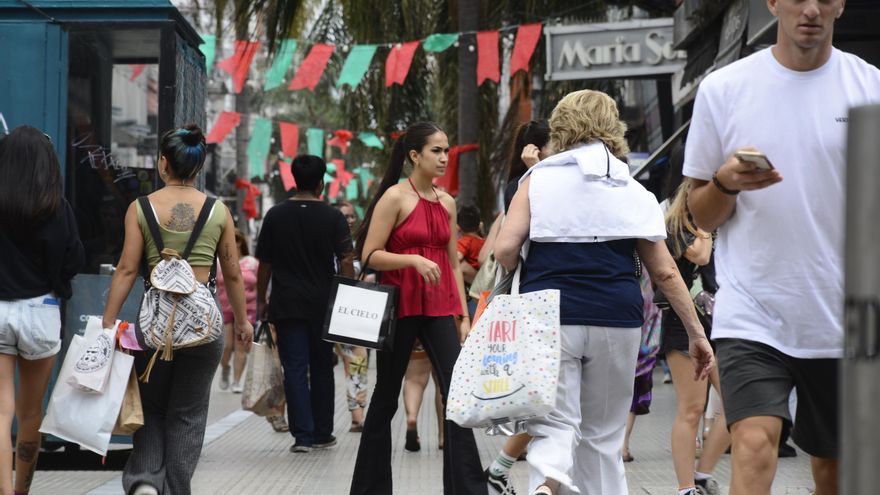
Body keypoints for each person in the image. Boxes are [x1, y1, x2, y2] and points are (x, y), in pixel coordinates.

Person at [683, 1, 880, 494]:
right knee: (751, 445)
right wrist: (725, 184)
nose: (811, 9)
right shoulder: (724, 89)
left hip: (850, 315)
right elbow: (697, 215)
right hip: (753, 311)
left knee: (835, 473)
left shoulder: (870, 88)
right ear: (771, 2)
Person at [494, 90, 714, 495]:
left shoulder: (536, 181)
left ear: (562, 126)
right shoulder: (631, 189)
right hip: (617, 318)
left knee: (556, 425)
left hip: (550, 316)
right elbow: (665, 272)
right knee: (603, 437)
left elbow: (504, 250)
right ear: (613, 128)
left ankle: (545, 486)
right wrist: (697, 334)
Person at [101, 124, 254, 495]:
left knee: (151, 409)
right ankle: (176, 488)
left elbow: (126, 268)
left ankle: (145, 484)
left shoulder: (140, 208)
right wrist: (244, 321)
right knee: (188, 414)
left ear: (162, 163)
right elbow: (232, 274)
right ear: (198, 169)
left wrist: (109, 322)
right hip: (203, 326)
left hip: (152, 325)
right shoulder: (218, 212)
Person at [349, 122, 486, 495]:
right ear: (414, 155)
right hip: (401, 306)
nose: (444, 158)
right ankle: (369, 488)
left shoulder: (447, 202)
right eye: (436, 151)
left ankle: (468, 489)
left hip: (441, 305)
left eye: (446, 150)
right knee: (386, 395)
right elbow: (370, 255)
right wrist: (411, 261)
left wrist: (463, 315)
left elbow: (451, 261)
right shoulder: (394, 197)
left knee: (457, 393)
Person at [0, 126, 84, 495]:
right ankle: (21, 491)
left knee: (1, 413)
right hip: (42, 312)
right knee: (31, 414)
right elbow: (74, 260)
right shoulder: (57, 207)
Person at [256, 155, 355, 453]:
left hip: (287, 304)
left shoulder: (275, 215)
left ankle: (303, 436)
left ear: (294, 180)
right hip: (324, 304)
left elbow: (265, 264)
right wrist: (346, 295)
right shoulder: (333, 217)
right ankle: (323, 432)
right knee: (323, 366)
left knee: (295, 368)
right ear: (321, 183)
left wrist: (262, 299)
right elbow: (347, 260)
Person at [483, 119, 551, 495]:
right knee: (544, 396)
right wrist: (535, 171)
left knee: (549, 398)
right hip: (533, 301)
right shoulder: (522, 185)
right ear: (537, 150)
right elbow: (509, 251)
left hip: (551, 299)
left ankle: (503, 468)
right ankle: (504, 468)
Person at [659, 179, 728, 495]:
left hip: (719, 320)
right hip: (684, 323)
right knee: (692, 408)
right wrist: (708, 220)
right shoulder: (676, 221)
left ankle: (701, 475)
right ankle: (686, 487)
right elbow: (699, 256)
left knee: (735, 402)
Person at [332, 201, 369, 432]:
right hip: (328, 308)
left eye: (352, 216)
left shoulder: (361, 245)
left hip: (351, 311)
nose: (350, 220)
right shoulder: (326, 242)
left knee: (357, 363)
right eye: (345, 216)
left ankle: (358, 415)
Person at [620, 272, 663, 464]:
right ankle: (623, 444)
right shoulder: (646, 246)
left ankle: (621, 443)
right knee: (634, 388)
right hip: (642, 324)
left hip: (615, 316)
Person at [216, 229, 256, 394]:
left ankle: (237, 380)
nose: (234, 243)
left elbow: (260, 284)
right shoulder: (218, 262)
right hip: (224, 307)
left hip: (247, 308)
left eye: (237, 240)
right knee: (226, 345)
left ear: (241, 243)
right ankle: (225, 367)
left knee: (240, 346)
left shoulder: (252, 262)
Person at [401, 340, 444, 452]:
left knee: (414, 379)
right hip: (444, 327)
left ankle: (412, 416)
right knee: (442, 382)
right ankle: (443, 436)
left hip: (415, 328)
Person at [456, 204, 484, 287]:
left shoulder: (465, 241)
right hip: (481, 274)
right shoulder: (484, 241)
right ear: (479, 225)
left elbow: (458, 257)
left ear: (458, 227)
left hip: (470, 283)